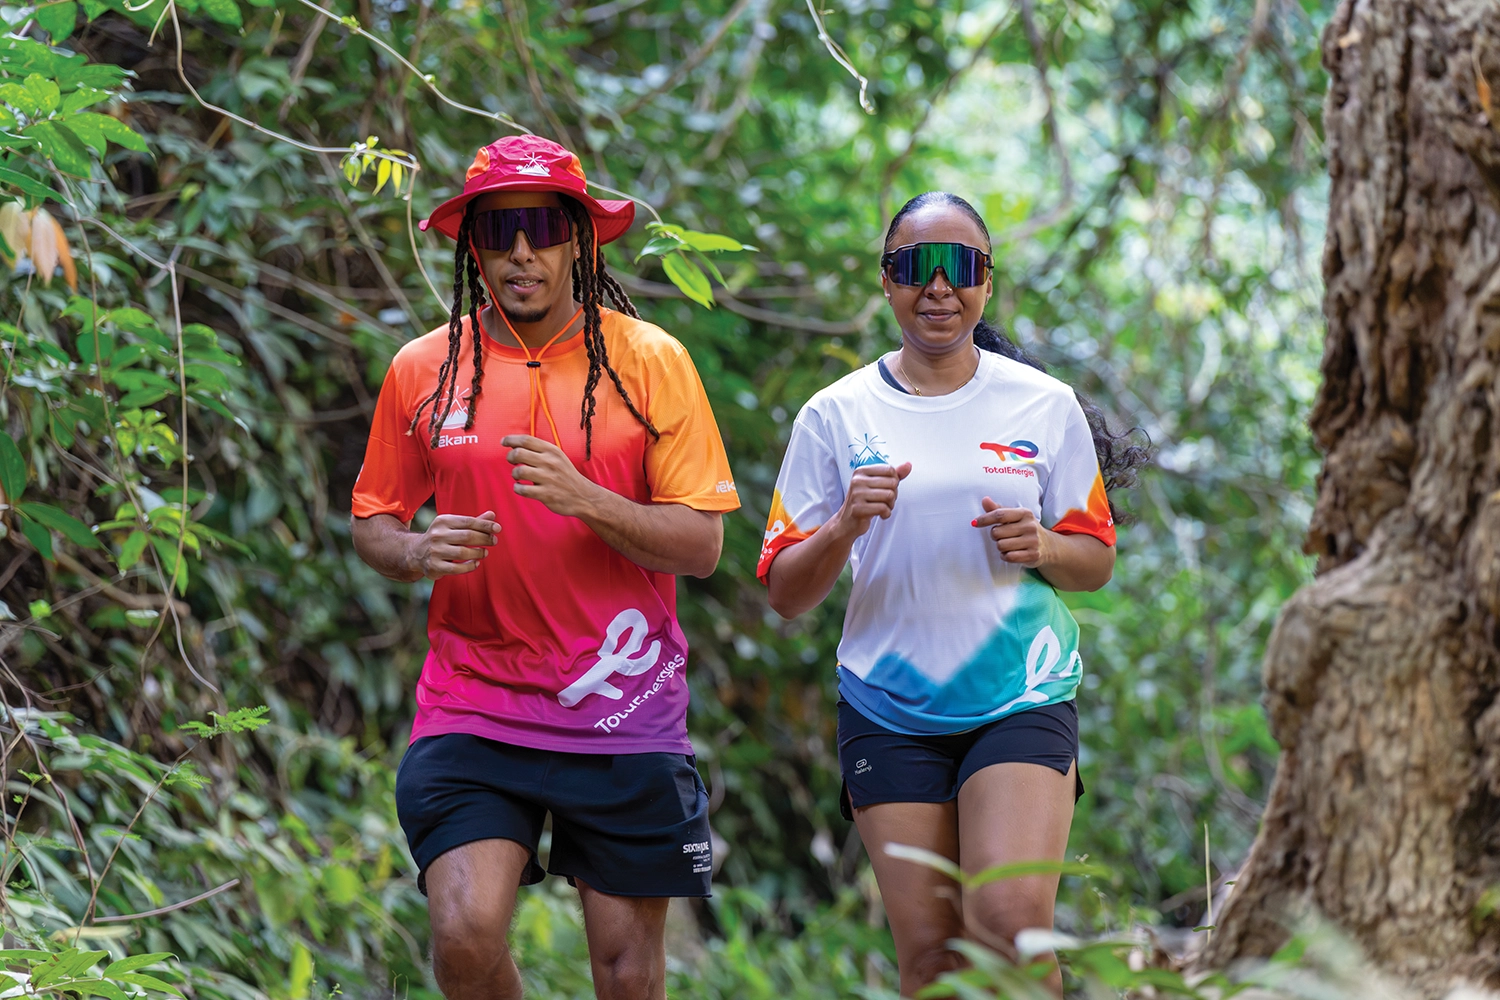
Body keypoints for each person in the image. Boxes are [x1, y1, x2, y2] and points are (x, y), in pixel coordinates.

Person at [350, 134, 739, 1000]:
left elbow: (703, 546)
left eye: (539, 227)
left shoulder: (649, 362)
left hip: (623, 702)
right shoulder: (425, 367)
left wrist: (588, 498)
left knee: (626, 972)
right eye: (497, 232)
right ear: (472, 249)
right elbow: (373, 519)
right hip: (473, 701)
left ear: (578, 239)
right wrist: (417, 551)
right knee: (463, 931)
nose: (520, 252)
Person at [758, 191, 1146, 997]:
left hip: (1020, 691)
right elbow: (785, 593)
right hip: (887, 702)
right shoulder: (834, 414)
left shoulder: (1042, 404)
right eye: (915, 268)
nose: (938, 288)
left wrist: (1042, 544)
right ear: (887, 281)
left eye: (959, 268)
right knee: (932, 960)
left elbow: (1095, 559)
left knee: (1009, 927)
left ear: (987, 283)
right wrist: (841, 528)